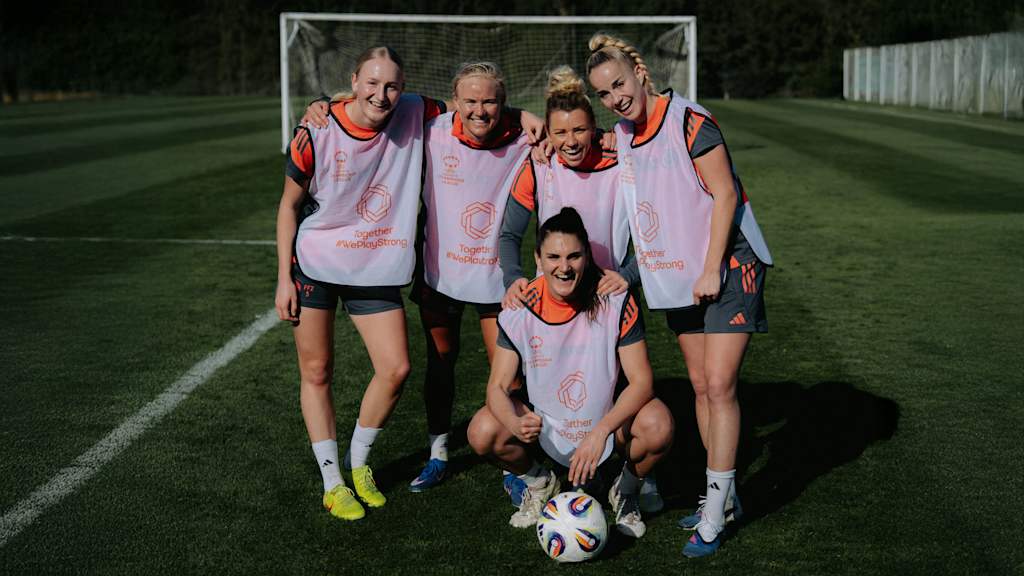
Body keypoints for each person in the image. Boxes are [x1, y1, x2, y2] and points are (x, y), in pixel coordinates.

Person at [302, 62, 544, 496]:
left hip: (496, 278)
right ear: (455, 102)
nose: (480, 110)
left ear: (504, 104)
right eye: (470, 100)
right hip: (438, 272)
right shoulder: (432, 130)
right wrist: (322, 104)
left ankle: (513, 463)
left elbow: (562, 136)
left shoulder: (525, 138)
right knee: (440, 362)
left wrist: (529, 118)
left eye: (490, 101)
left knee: (509, 377)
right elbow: (373, 107)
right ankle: (439, 452)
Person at [586, 33, 773, 557]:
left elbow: (726, 194)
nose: (615, 98)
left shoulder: (691, 120)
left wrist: (712, 269)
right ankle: (726, 499)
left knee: (720, 384)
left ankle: (714, 515)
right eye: (604, 93)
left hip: (729, 262)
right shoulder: (623, 134)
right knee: (700, 385)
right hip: (680, 273)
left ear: (640, 74)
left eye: (619, 84)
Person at [276, 46, 446, 522]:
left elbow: (471, 107)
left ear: (404, 88)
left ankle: (358, 462)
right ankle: (333, 483)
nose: (381, 94)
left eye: (392, 85)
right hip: (315, 263)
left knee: (395, 369)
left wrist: (523, 117)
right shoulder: (316, 130)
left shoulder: (415, 111)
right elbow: (288, 206)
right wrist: (283, 278)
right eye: (372, 83)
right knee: (317, 371)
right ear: (354, 81)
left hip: (374, 264)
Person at [497, 65, 666, 513]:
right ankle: (542, 469)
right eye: (560, 132)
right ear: (548, 134)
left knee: (628, 389)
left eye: (579, 130)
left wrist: (628, 275)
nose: (570, 141)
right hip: (554, 301)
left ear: (595, 129)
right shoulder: (540, 165)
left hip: (610, 298)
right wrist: (513, 279)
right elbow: (509, 235)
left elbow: (656, 230)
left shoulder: (621, 161)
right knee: (541, 387)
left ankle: (634, 475)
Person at [468, 207, 674, 538]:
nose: (564, 267)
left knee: (657, 425)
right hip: (546, 421)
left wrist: (600, 431)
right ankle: (539, 483)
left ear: (587, 257)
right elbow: (497, 388)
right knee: (482, 431)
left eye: (574, 256)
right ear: (538, 259)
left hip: (608, 419)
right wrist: (514, 422)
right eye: (553, 257)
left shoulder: (613, 299)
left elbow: (642, 382)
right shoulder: (520, 307)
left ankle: (626, 488)